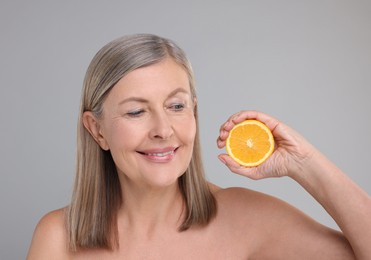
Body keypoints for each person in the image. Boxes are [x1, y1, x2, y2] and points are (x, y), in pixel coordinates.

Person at [27, 34, 371, 259]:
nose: (163, 130)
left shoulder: (246, 219)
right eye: (136, 111)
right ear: (97, 130)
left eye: (176, 106)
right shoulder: (58, 238)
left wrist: (304, 163)